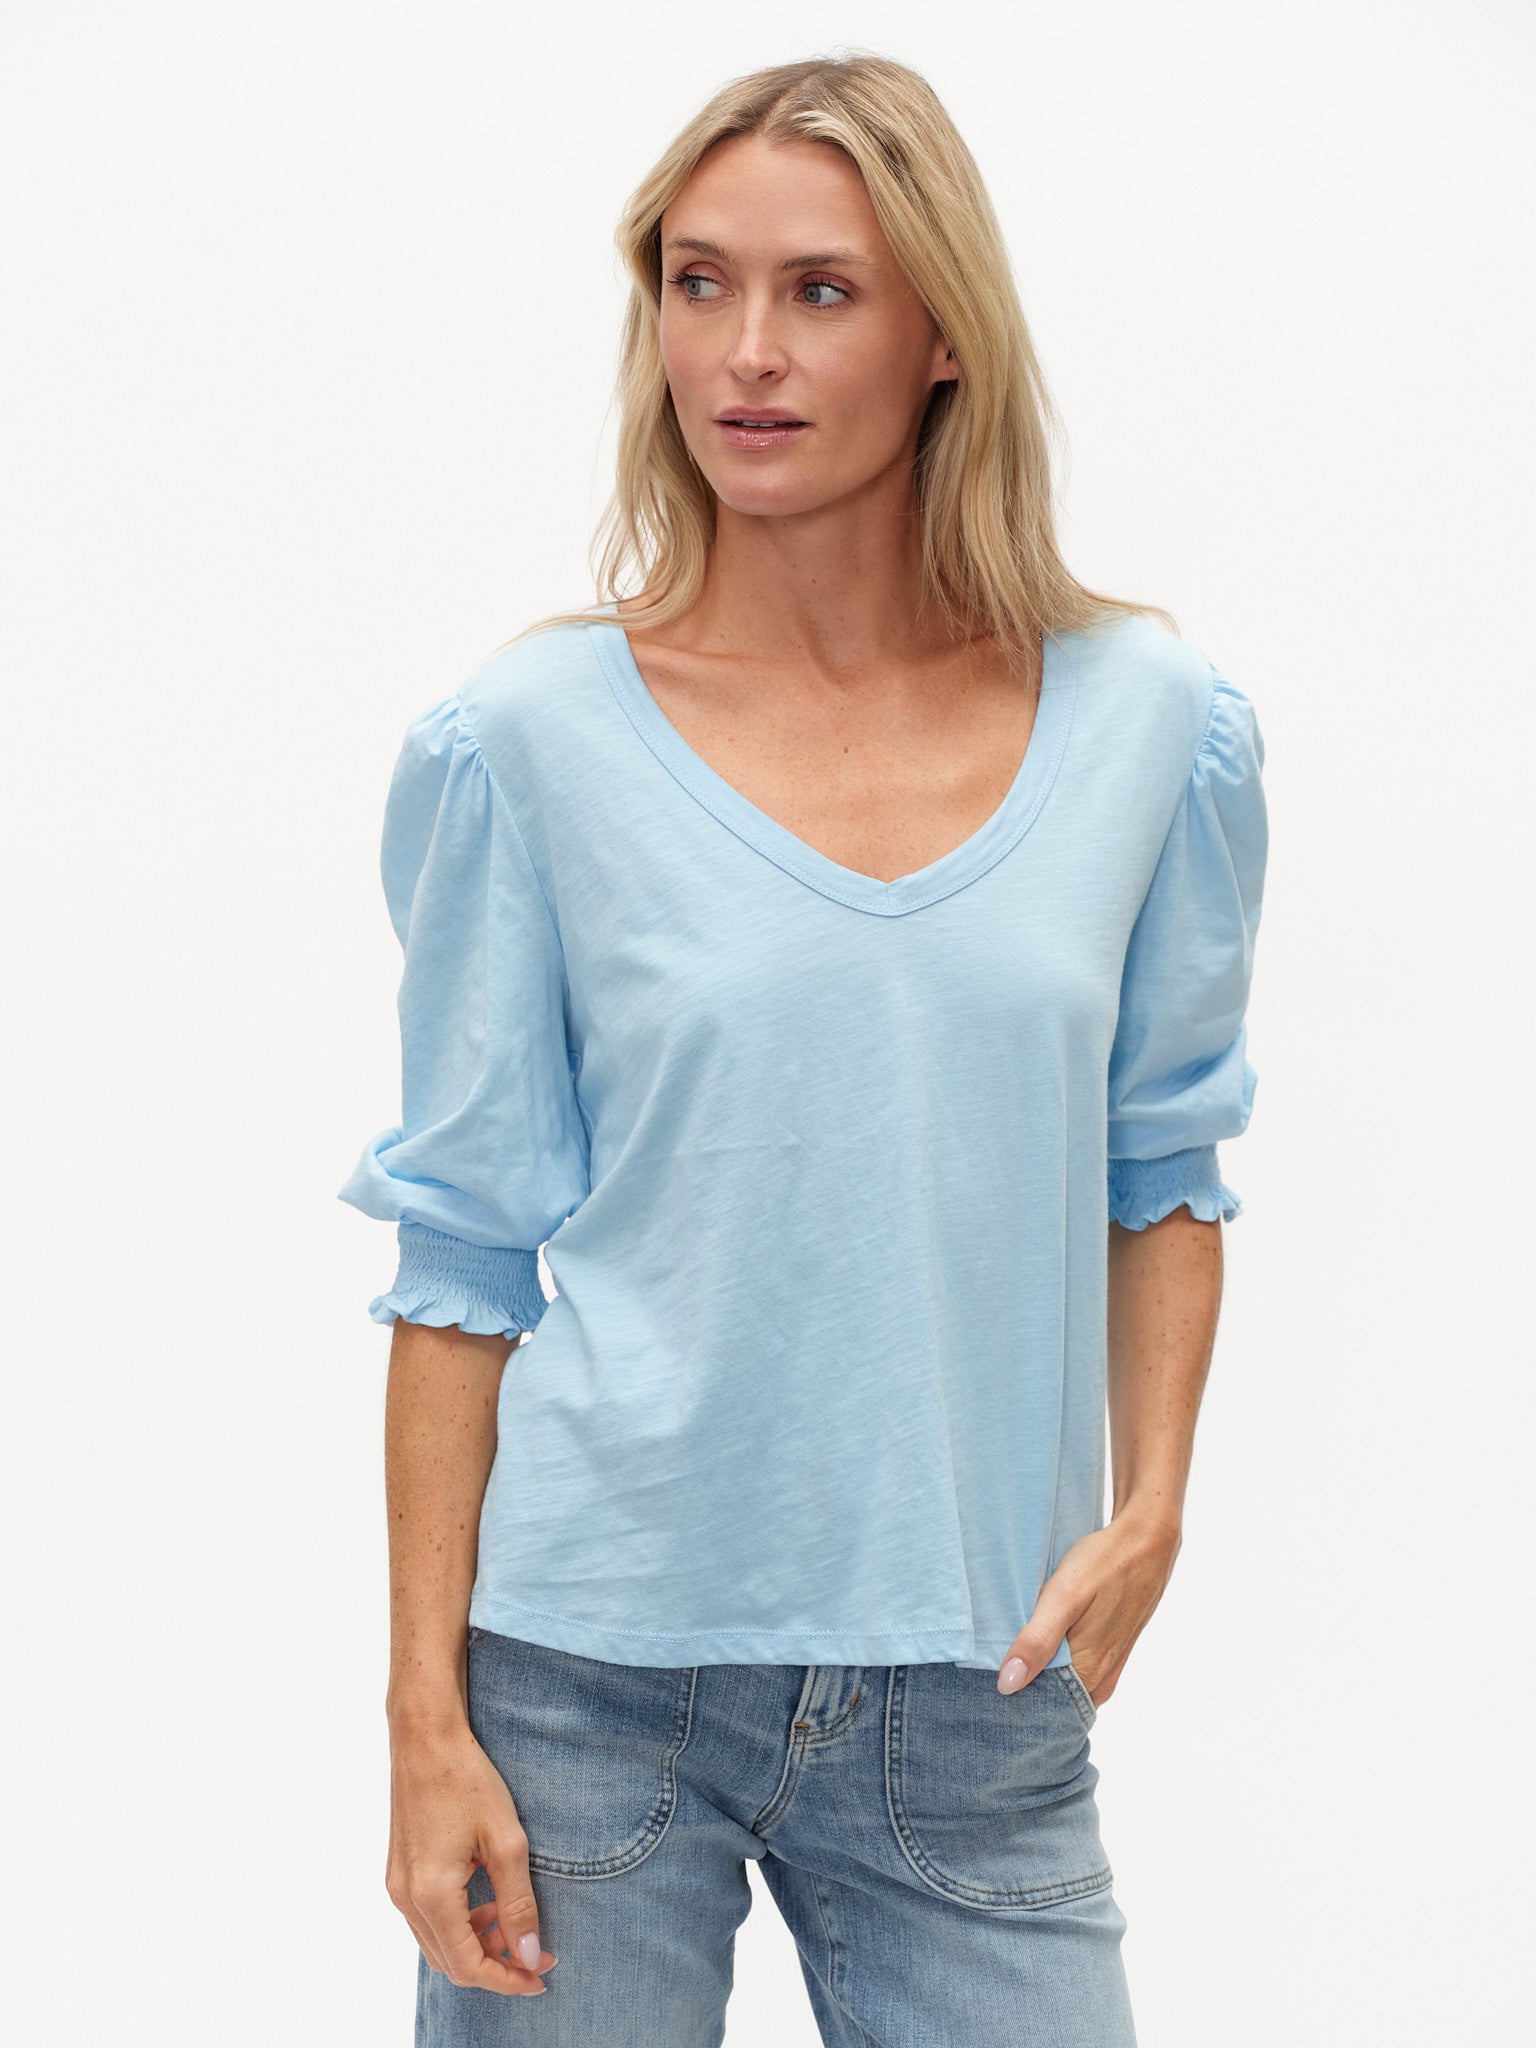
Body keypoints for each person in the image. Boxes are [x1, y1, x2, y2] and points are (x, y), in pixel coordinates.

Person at [337, 51, 1269, 2048]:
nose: (744, 352)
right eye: (700, 282)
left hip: (979, 1686)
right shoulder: (530, 742)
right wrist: (425, 1717)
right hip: (585, 1684)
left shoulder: (1149, 725)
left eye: (821, 291)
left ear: (945, 335)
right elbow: (462, 1252)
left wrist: (1153, 1507)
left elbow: (1165, 1160)